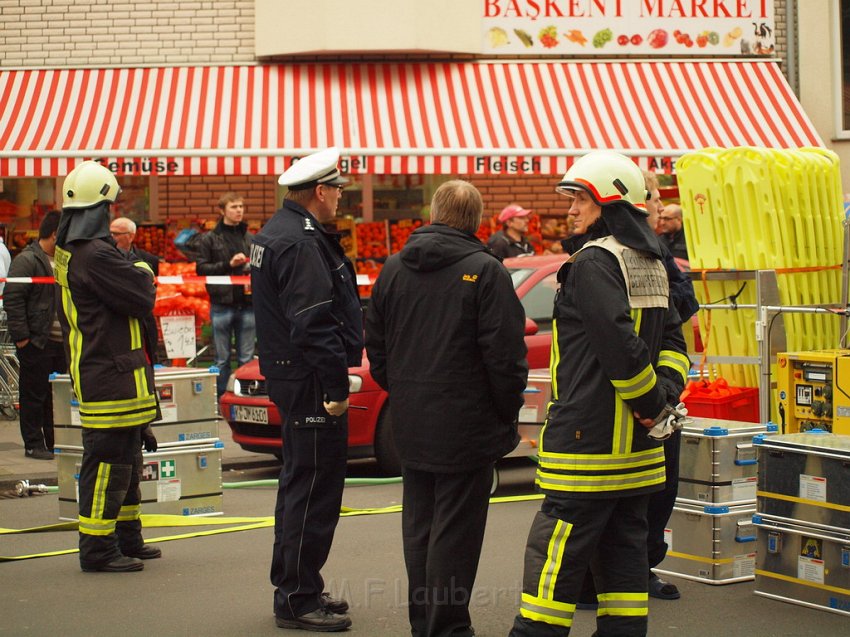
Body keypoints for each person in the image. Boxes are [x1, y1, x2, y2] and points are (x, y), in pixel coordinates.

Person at [509, 151, 690, 637]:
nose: (571, 210)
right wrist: (664, 400)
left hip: (588, 450)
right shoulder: (651, 263)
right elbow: (674, 344)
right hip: (638, 454)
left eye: (581, 199)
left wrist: (652, 406)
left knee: (553, 560)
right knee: (624, 562)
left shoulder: (593, 263)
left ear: (610, 203)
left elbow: (620, 350)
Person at [365, 181, 528, 637]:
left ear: (434, 213)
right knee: (455, 532)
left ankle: (427, 624)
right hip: (466, 423)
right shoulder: (486, 270)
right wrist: (504, 411)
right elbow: (505, 357)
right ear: (475, 220)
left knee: (420, 526)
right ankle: (448, 627)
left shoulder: (393, 268)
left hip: (411, 421)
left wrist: (401, 390)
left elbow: (374, 343)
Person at [250, 148, 361, 632]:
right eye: (336, 189)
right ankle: (296, 597)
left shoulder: (280, 231)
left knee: (301, 484)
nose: (339, 197)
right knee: (313, 490)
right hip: (311, 380)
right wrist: (336, 387)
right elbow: (313, 321)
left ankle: (301, 586)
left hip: (294, 376)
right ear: (320, 191)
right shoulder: (299, 241)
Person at [54, 160, 162, 573]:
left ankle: (126, 537)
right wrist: (142, 269)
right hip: (109, 377)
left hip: (115, 373)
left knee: (128, 461)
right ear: (99, 210)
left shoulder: (75, 253)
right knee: (107, 465)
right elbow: (141, 293)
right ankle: (98, 548)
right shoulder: (96, 255)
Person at [4, 211, 66, 460]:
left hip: (62, 344)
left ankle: (54, 442)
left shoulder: (62, 261)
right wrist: (22, 338)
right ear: (54, 234)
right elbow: (13, 299)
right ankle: (33, 444)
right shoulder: (27, 260)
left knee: (56, 397)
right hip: (37, 342)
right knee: (34, 395)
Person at [195, 192, 255, 396]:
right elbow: (201, 269)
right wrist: (228, 265)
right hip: (221, 304)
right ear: (222, 211)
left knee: (247, 358)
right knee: (222, 359)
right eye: (234, 207)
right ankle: (221, 399)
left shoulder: (249, 236)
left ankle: (245, 398)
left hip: (247, 303)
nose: (239, 210)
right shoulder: (210, 238)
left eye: (241, 206)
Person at [110, 217, 161, 364]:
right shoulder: (105, 257)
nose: (112, 238)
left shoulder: (149, 259)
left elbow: (151, 289)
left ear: (131, 236)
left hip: (144, 318)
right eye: (110, 233)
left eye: (116, 234)